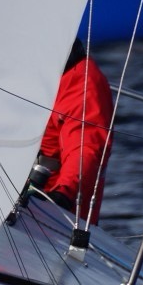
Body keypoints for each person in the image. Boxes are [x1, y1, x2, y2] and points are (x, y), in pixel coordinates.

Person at [25, 39, 114, 224]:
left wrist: (62, 194)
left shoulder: (82, 84)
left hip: (49, 213)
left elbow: (84, 148)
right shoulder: (29, 79)